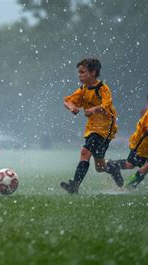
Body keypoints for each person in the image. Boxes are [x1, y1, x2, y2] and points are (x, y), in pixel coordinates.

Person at [60, 58, 123, 194]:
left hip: (106, 128)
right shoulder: (83, 89)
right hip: (92, 128)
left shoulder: (102, 88)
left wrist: (93, 109)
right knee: (100, 167)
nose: (79, 75)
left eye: (82, 72)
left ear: (93, 73)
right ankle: (112, 167)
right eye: (79, 72)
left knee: (85, 152)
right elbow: (67, 101)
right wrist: (72, 108)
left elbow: (107, 104)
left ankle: (74, 185)